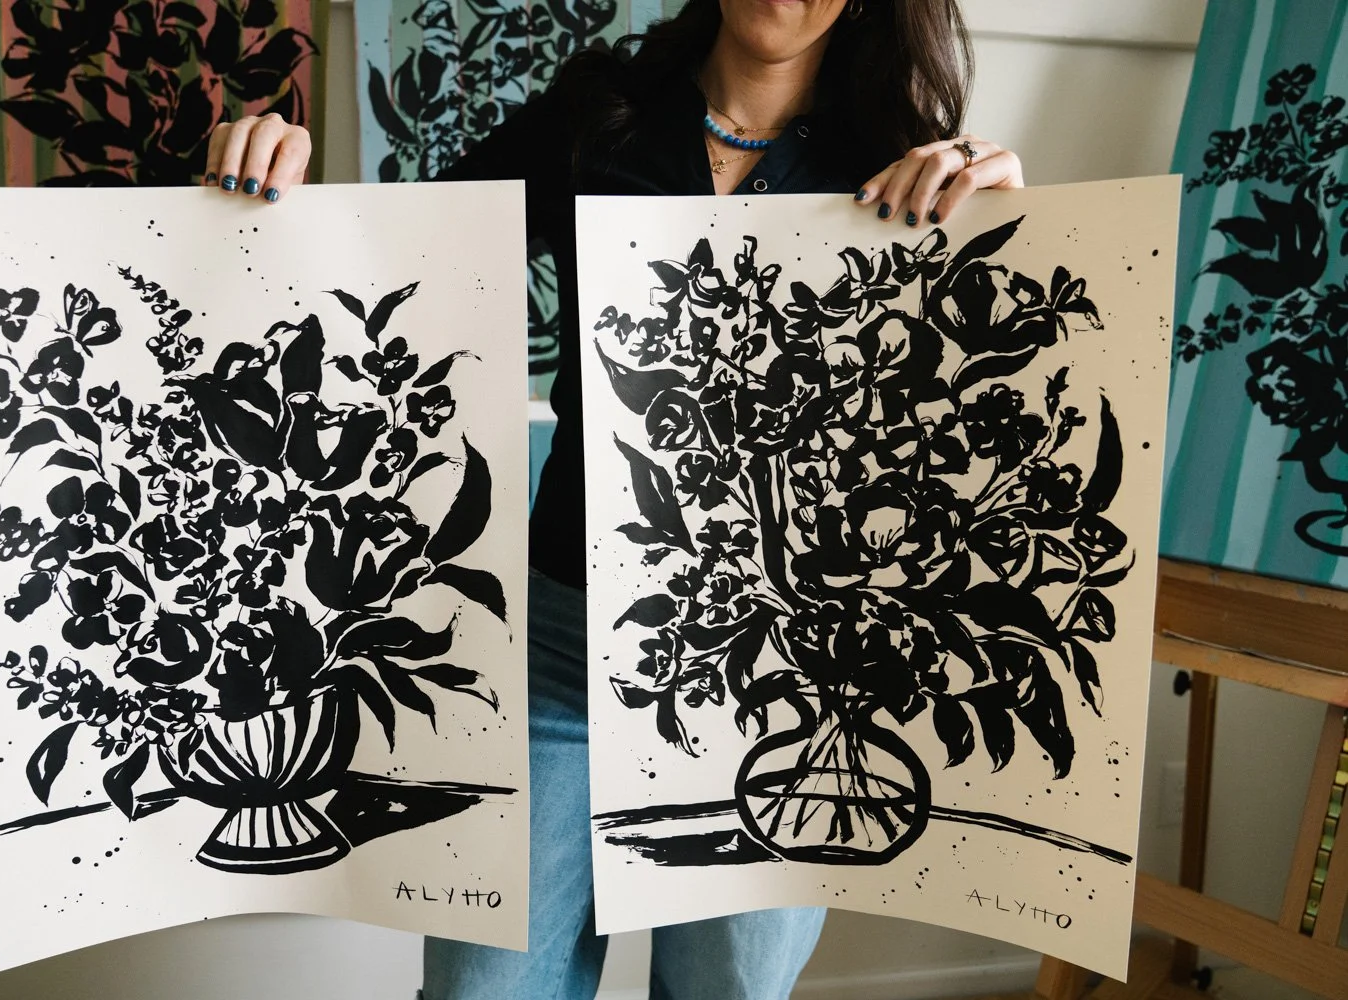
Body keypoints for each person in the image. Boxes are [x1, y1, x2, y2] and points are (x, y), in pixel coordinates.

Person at [204, 0, 1022, 996]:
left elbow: (968, 412)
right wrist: (278, 183)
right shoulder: (601, 114)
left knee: (727, 990)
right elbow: (387, 260)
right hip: (559, 646)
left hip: (778, 678)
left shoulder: (903, 167)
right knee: (482, 991)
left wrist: (1011, 222)